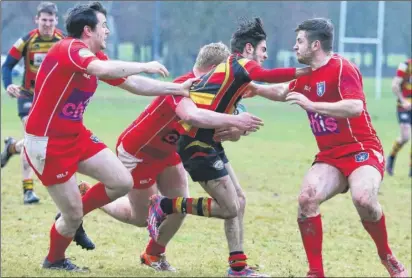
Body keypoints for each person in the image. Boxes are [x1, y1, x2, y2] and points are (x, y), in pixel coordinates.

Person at [23, 1, 197, 272]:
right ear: (87, 30)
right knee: (71, 216)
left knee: (121, 181)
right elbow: (102, 71)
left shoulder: (95, 57)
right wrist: (144, 64)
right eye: (103, 26)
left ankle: (77, 212)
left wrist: (176, 89)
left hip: (75, 136)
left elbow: (133, 84)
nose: (107, 31)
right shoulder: (69, 49)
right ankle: (54, 259)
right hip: (47, 143)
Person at [74, 42, 264, 272]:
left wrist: (236, 129)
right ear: (214, 68)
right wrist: (235, 121)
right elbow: (192, 116)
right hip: (139, 152)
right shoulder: (181, 86)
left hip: (170, 152)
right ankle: (90, 201)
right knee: (140, 217)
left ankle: (153, 255)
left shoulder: (213, 92)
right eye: (224, 71)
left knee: (178, 204)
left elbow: (222, 127)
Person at [148, 17, 311, 277]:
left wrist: (309, 83)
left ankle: (238, 267)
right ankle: (167, 205)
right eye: (263, 50)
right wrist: (307, 70)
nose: (266, 55)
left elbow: (276, 91)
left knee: (239, 200)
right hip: (195, 143)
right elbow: (268, 76)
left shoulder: (237, 75)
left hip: (210, 142)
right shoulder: (239, 65)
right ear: (248, 49)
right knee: (229, 207)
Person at [249, 18, 408, 277]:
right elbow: (282, 91)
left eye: (299, 41)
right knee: (307, 197)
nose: (294, 46)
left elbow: (354, 106)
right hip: (330, 156)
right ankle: (315, 272)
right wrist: (255, 89)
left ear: (315, 44)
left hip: (362, 150)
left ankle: (387, 256)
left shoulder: (343, 67)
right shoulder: (305, 74)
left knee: (364, 199)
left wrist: (312, 105)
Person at [1, 2, 64, 204]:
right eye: (43, 20)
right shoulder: (27, 40)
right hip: (28, 96)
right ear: (36, 20)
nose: (47, 24)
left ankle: (12, 147)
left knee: (41, 143)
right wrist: (8, 84)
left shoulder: (63, 41)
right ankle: (28, 190)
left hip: (53, 100)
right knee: (33, 137)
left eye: (50, 20)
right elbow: (8, 64)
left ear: (56, 20)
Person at [386, 58, 411, 177]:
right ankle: (391, 157)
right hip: (404, 106)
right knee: (405, 137)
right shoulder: (405, 65)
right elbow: (395, 85)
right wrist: (403, 101)